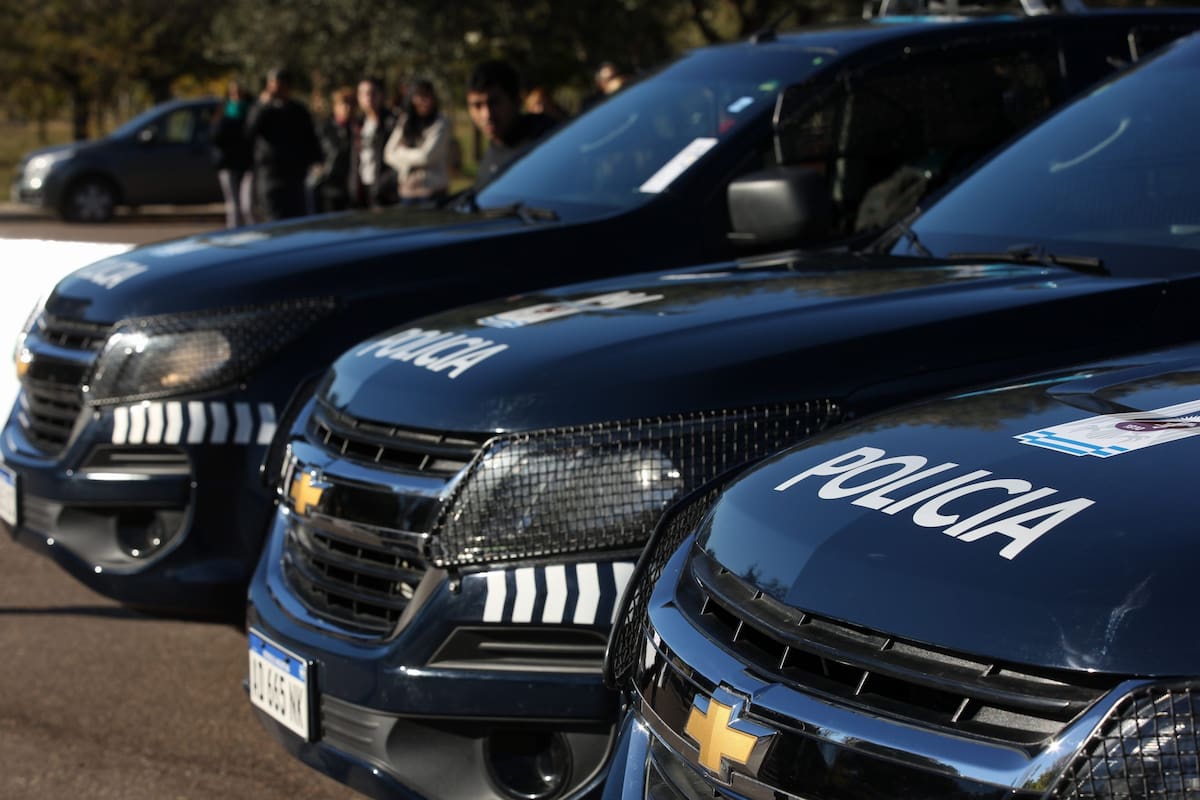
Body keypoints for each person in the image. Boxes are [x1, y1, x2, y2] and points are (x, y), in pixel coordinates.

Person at [245, 66, 322, 220]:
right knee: (273, 220)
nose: (276, 89)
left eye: (280, 84)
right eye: (272, 84)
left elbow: (310, 138)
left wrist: (315, 162)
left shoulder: (298, 111)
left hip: (294, 177)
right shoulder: (263, 110)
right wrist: (262, 105)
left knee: (296, 220)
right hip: (269, 176)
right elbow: (249, 132)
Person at [466, 59, 557, 187]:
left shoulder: (549, 142)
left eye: (494, 103)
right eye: (477, 106)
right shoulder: (489, 160)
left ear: (516, 101)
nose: (486, 115)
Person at [383, 78, 451, 204]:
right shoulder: (405, 121)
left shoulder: (441, 123)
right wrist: (413, 155)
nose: (425, 101)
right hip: (407, 192)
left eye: (428, 95)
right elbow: (388, 154)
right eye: (420, 96)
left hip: (433, 192)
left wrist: (401, 152)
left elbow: (426, 156)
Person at [210, 80, 255, 228]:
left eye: (239, 93)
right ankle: (234, 234)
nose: (236, 97)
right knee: (233, 205)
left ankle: (255, 234)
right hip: (228, 164)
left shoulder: (253, 112)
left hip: (248, 164)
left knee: (247, 206)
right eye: (233, 93)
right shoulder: (223, 112)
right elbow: (215, 136)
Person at [351, 77, 398, 208]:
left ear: (381, 95)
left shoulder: (391, 122)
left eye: (372, 93)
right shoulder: (358, 124)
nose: (368, 98)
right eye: (363, 94)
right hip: (362, 188)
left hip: (385, 191)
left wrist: (386, 182)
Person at [311, 85, 355, 213]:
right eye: (343, 104)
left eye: (351, 104)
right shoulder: (324, 129)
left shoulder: (357, 129)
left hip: (351, 189)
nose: (348, 108)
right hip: (328, 189)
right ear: (335, 106)